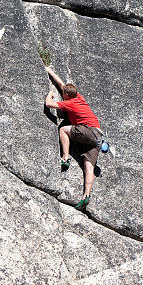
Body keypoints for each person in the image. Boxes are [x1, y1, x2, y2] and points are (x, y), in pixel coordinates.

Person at [44, 65, 102, 210]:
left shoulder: (70, 103)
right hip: (98, 137)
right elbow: (61, 84)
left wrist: (50, 94)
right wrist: (49, 70)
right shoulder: (79, 97)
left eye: (64, 94)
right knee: (89, 166)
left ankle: (65, 157)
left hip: (89, 132)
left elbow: (49, 104)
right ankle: (86, 196)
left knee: (63, 129)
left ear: (67, 96)